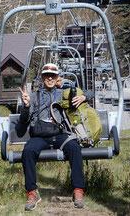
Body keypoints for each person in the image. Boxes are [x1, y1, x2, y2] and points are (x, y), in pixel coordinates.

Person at [18, 63, 92, 211]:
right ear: (42, 78)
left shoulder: (63, 93)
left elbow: (91, 93)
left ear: (58, 78)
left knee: (74, 148)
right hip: (40, 136)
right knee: (28, 150)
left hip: (59, 134)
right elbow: (23, 123)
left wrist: (84, 96)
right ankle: (32, 192)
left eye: (53, 76)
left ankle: (78, 190)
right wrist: (26, 106)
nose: (50, 78)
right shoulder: (34, 96)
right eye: (47, 76)